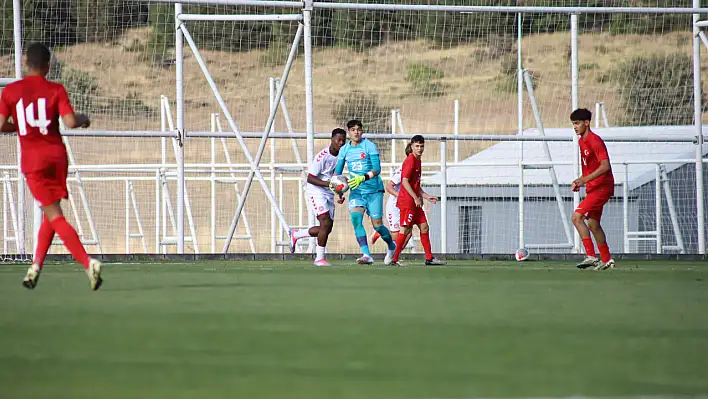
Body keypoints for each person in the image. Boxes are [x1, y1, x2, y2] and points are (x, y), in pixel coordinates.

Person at [0, 42, 103, 290]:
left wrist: (22, 128)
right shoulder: (56, 89)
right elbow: (69, 122)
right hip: (57, 157)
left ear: (26, 64)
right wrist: (84, 118)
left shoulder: (11, 92)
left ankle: (89, 264)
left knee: (54, 215)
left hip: (33, 161)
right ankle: (35, 267)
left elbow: (1, 125)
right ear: (47, 67)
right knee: (51, 212)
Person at [333, 119, 397, 265]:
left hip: (374, 191)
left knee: (378, 225)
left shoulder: (369, 146)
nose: (356, 132)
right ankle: (366, 255)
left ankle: (392, 246)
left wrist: (363, 177)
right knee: (356, 220)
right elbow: (337, 174)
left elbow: (377, 169)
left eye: (359, 129)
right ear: (349, 132)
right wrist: (340, 193)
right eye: (353, 130)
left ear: (362, 131)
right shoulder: (344, 150)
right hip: (356, 192)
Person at [289, 128, 347, 266]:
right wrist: (329, 184)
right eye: (338, 140)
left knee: (327, 228)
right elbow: (310, 178)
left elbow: (336, 178)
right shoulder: (322, 156)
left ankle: (296, 235)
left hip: (327, 191)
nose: (340, 143)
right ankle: (319, 258)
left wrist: (339, 193)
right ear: (331, 140)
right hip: (316, 190)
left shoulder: (341, 156)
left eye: (343, 140)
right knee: (325, 223)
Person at [570, 108, 615, 270]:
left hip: (602, 187)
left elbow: (605, 166)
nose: (575, 127)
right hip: (594, 187)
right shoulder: (582, 141)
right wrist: (580, 181)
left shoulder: (595, 141)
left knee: (576, 217)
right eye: (573, 124)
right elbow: (589, 167)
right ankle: (607, 259)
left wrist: (584, 180)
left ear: (587, 123)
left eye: (577, 123)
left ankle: (590, 256)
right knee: (593, 224)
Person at [390, 135, 445, 266]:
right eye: (417, 146)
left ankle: (429, 258)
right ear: (412, 146)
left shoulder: (418, 161)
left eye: (421, 146)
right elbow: (404, 181)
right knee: (405, 230)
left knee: (424, 226)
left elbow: (416, 184)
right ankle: (394, 259)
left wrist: (426, 196)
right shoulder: (410, 160)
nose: (420, 148)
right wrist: (415, 197)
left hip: (416, 202)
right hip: (408, 202)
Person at [371, 143, 414, 251]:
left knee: (408, 234)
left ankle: (396, 256)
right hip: (395, 207)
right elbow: (389, 187)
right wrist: (402, 197)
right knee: (396, 236)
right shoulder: (403, 169)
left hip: (406, 206)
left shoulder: (416, 169)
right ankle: (381, 233)